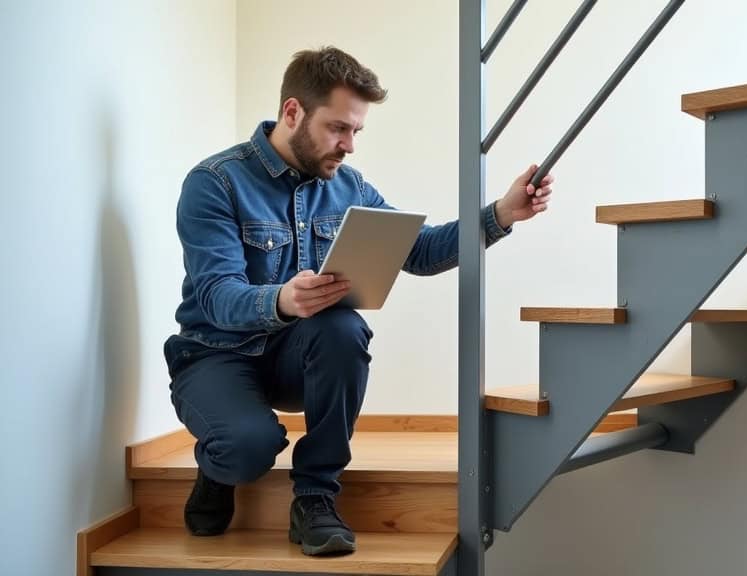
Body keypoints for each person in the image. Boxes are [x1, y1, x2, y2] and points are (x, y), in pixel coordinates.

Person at [163, 45, 554, 556]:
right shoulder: (215, 182)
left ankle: (315, 498)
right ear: (292, 112)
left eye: (356, 132)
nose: (348, 145)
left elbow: (420, 250)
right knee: (246, 448)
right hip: (216, 354)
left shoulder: (349, 187)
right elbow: (217, 295)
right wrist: (282, 299)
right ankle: (219, 467)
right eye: (338, 128)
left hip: (295, 359)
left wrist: (500, 213)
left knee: (343, 326)